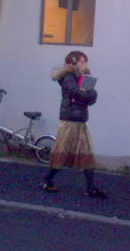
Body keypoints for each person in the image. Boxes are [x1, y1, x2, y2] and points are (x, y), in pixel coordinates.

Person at [40, 51, 106, 198]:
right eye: (81, 62)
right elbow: (76, 93)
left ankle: (91, 188)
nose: (84, 65)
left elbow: (92, 97)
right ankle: (47, 179)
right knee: (62, 153)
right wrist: (86, 94)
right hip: (69, 122)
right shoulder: (68, 77)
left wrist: (87, 94)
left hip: (80, 121)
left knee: (87, 152)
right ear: (73, 63)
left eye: (85, 62)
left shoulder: (85, 78)